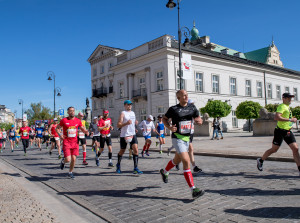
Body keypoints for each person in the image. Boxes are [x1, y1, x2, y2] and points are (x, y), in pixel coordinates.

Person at [160, 90, 205, 199]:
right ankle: (193, 189)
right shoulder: (173, 109)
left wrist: (199, 121)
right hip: (177, 138)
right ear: (178, 98)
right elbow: (164, 119)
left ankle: (164, 171)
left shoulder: (192, 108)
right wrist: (169, 127)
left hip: (187, 138)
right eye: (183, 95)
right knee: (186, 160)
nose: (186, 97)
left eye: (186, 95)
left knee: (177, 160)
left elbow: (198, 118)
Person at [257, 93, 300, 176]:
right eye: (288, 98)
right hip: (279, 131)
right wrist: (290, 119)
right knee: (274, 150)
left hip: (287, 131)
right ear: (284, 98)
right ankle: (261, 160)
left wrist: (292, 121)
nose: (290, 99)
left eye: (291, 98)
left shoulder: (287, 107)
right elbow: (276, 117)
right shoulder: (282, 106)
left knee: (295, 149)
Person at [57, 106, 89, 179]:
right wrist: (60, 135)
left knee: (74, 159)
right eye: (70, 111)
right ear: (68, 112)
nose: (72, 112)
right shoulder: (64, 120)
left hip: (75, 142)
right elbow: (57, 128)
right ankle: (63, 162)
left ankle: (70, 172)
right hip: (66, 142)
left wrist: (86, 131)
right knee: (68, 159)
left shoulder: (78, 120)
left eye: (73, 111)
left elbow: (82, 128)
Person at [116, 100, 142, 174]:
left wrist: (135, 127)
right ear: (125, 105)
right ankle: (118, 165)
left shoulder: (133, 113)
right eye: (128, 104)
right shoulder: (123, 113)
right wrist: (126, 123)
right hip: (124, 135)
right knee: (122, 151)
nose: (129, 106)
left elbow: (132, 123)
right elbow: (118, 125)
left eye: (130, 104)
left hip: (133, 134)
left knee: (136, 150)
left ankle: (136, 168)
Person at [187, 99, 202, 173]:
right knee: (190, 149)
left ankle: (176, 162)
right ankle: (194, 166)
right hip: (184, 133)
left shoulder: (194, 112)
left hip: (191, 132)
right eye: (191, 104)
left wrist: (199, 121)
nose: (193, 105)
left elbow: (198, 120)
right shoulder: (185, 112)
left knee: (188, 150)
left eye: (193, 104)